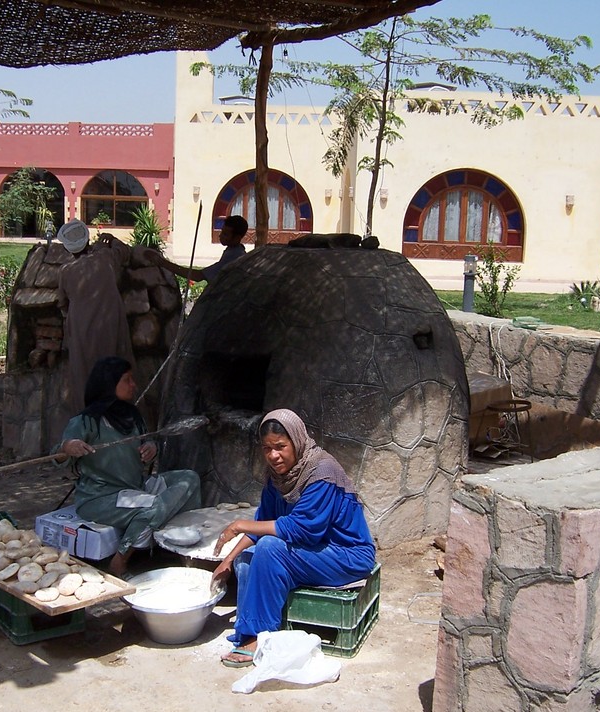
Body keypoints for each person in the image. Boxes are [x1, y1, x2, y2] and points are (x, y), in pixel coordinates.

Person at [212, 408, 377, 668]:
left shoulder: (322, 472)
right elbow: (261, 523)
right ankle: (247, 630)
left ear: (296, 441)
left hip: (347, 555)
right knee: (247, 559)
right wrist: (229, 560)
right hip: (313, 552)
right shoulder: (277, 478)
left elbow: (302, 530)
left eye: (280, 446)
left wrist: (239, 525)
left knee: (269, 548)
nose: (274, 455)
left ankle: (259, 636)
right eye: (267, 448)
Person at [57, 357, 202, 577]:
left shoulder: (132, 416)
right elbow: (58, 455)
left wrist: (151, 447)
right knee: (154, 507)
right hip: (101, 498)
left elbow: (145, 443)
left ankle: (171, 544)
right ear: (109, 384)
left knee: (189, 479)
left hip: (136, 488)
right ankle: (120, 560)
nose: (133, 385)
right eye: (127, 380)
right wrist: (68, 447)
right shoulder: (86, 421)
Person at [56, 219, 136, 413]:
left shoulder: (66, 271)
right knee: (115, 369)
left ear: (68, 248)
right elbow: (125, 252)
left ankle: (88, 420)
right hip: (110, 324)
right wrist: (112, 239)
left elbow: (62, 303)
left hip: (81, 329)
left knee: (84, 375)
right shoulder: (105, 257)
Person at [147, 214, 248, 284]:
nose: (221, 235)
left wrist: (162, 263)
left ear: (237, 237)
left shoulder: (234, 256)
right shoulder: (233, 250)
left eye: (226, 234)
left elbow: (199, 276)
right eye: (222, 231)